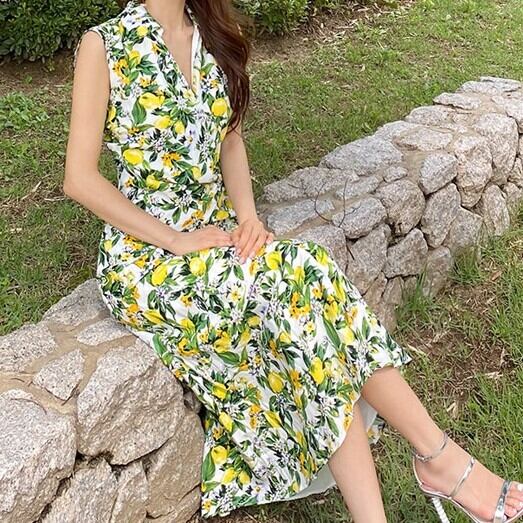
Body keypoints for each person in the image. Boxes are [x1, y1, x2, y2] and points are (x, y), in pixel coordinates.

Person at [64, 0, 523, 521]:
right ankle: (439, 459)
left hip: (218, 236)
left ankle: (406, 486)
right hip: (147, 261)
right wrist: (174, 239)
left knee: (308, 292)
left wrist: (248, 217)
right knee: (297, 285)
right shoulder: (105, 45)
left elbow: (230, 139)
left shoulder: (207, 33)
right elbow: (79, 178)